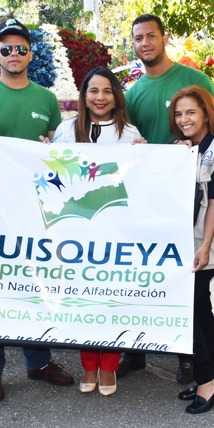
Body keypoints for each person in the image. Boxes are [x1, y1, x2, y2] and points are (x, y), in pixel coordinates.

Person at [0, 17, 74, 402]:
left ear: (30, 54)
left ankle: (38, 362)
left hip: (35, 208)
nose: (13, 54)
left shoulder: (45, 99)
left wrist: (48, 145)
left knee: (34, 282)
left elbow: (56, 151)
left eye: (21, 48)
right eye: (6, 49)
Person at [119, 13, 214, 384]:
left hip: (190, 200)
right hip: (146, 200)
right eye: (137, 38)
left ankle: (190, 358)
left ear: (164, 38)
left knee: (187, 286)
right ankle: (135, 351)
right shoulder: (131, 94)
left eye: (151, 36)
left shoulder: (194, 80)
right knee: (140, 277)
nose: (144, 43)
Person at [49, 66, 143, 396]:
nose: (100, 97)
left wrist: (146, 156)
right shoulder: (65, 130)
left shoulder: (131, 134)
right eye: (93, 91)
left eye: (106, 91)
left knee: (111, 299)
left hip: (116, 231)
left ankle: (110, 367)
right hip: (75, 232)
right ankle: (88, 365)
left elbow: (142, 180)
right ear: (84, 97)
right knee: (82, 300)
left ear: (116, 97)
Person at [170, 85, 214, 414]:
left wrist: (206, 247)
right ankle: (212, 376)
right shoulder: (183, 149)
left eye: (191, 112)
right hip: (186, 239)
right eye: (179, 113)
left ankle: (207, 379)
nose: (184, 119)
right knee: (199, 306)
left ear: (206, 113)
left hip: (207, 240)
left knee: (189, 306)